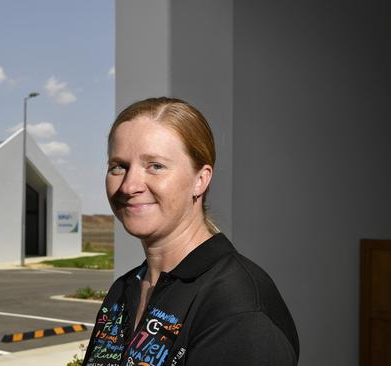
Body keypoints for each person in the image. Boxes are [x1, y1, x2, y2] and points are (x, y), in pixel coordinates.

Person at [82, 97, 299, 366]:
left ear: (200, 180)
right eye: (119, 166)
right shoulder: (124, 290)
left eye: (155, 166)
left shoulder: (237, 305)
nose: (129, 186)